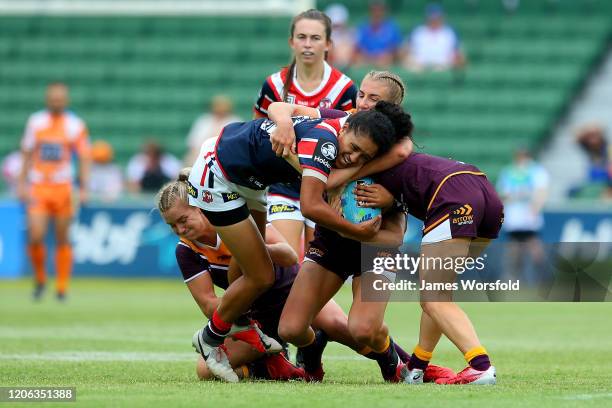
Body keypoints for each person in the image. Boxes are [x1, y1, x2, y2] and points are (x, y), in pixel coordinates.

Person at [188, 104, 411, 382]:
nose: (351, 156)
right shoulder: (326, 141)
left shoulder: (346, 122)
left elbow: (401, 149)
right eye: (353, 147)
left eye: (362, 156)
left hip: (249, 178)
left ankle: (242, 325)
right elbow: (310, 207)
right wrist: (357, 231)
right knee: (261, 275)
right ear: (346, 128)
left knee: (248, 268)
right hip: (220, 176)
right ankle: (210, 338)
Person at [157, 172, 413, 382]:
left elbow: (289, 256)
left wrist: (250, 251)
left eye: (183, 220)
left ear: (201, 208)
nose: (180, 230)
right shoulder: (186, 249)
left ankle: (408, 366)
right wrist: (247, 326)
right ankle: (271, 366)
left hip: (291, 293)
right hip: (255, 321)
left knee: (348, 329)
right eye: (172, 226)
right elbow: (209, 305)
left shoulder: (236, 224)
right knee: (204, 369)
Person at [353, 152, 503, 385]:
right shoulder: (399, 154)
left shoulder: (370, 164)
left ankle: (479, 366)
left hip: (452, 194)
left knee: (435, 300)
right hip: (486, 193)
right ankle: (417, 366)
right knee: (438, 297)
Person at [253, 8, 358, 257]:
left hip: (323, 186)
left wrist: (338, 188)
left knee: (314, 270)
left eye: (315, 38)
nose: (308, 44)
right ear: (291, 42)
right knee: (284, 263)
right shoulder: (274, 85)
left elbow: (351, 143)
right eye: (301, 37)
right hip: (283, 183)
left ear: (328, 44)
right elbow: (257, 131)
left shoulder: (344, 88)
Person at [17, 82, 90, 301]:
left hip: (64, 187)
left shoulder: (75, 125)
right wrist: (22, 183)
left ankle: (61, 286)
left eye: (60, 98)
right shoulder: (36, 122)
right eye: (53, 98)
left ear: (65, 100)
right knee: (36, 235)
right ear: (47, 99)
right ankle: (40, 279)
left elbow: (85, 156)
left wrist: (84, 187)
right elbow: (27, 153)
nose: (56, 101)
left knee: (62, 237)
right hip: (40, 186)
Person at [497, 148, 549, 283]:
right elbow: (503, 193)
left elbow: (541, 190)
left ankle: (541, 276)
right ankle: (513, 277)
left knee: (532, 243)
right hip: (514, 214)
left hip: (528, 212)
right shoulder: (508, 171)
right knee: (514, 245)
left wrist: (536, 208)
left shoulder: (536, 170)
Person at [402, 3, 466, 72]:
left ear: (442, 17)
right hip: (419, 67)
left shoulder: (449, 32)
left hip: (443, 67)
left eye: (437, 17)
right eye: (432, 17)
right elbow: (405, 50)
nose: (434, 20)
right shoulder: (418, 31)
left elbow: (459, 54)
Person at [184, 95, 241, 166]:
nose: (220, 108)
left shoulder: (235, 121)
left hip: (225, 161)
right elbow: (193, 146)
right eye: (218, 105)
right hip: (200, 158)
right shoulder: (204, 120)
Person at [353, 1, 403, 68]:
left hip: (386, 60)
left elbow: (396, 48)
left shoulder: (392, 27)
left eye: (380, 10)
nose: (377, 13)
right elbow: (358, 47)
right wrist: (370, 57)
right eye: (374, 10)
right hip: (367, 59)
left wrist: (385, 55)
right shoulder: (363, 27)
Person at [325, 3, 356, 70]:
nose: (337, 29)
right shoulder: (324, 37)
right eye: (335, 26)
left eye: (339, 25)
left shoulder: (350, 35)